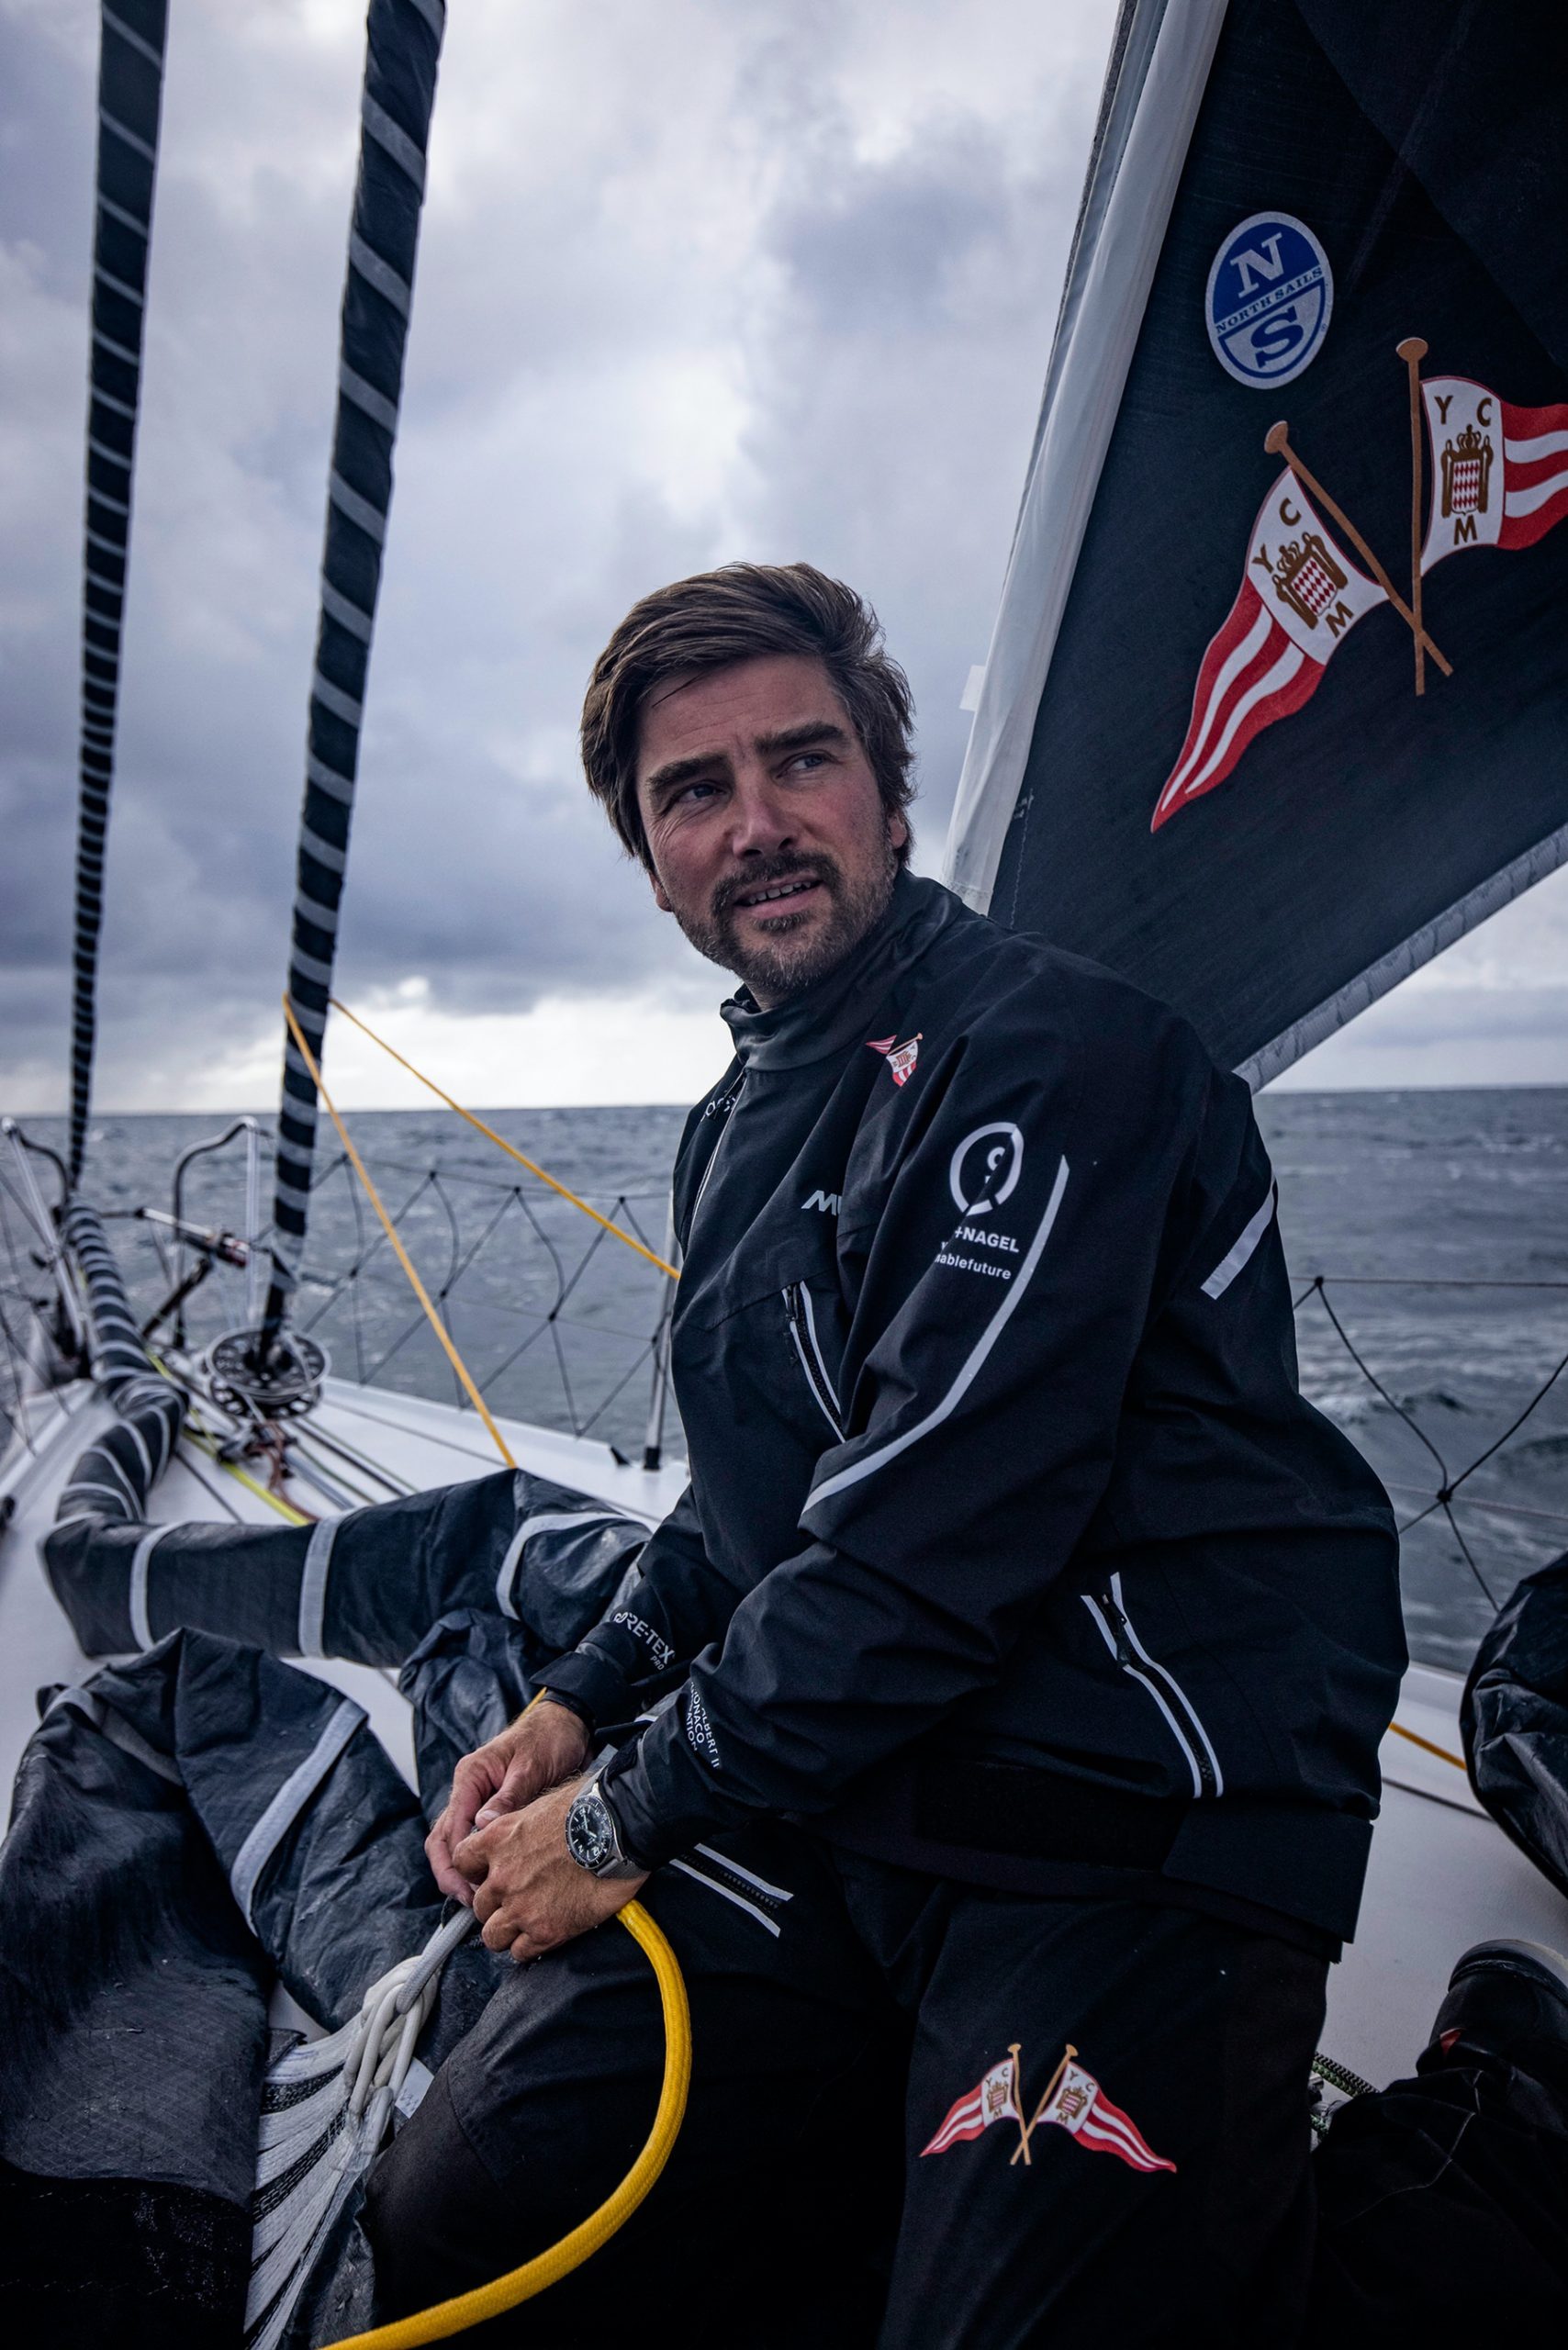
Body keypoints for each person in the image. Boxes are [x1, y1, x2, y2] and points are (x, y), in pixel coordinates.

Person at [364, 561, 1412, 2344]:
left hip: (1127, 1816)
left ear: (890, 792)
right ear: (648, 855)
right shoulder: (738, 1119)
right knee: (467, 2203)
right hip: (864, 1783)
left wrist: (618, 1815)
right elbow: (753, 1509)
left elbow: (920, 1550)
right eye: (694, 791)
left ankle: (1484, 2135)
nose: (756, 824)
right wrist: (574, 1702)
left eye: (803, 759)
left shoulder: (1051, 1057)